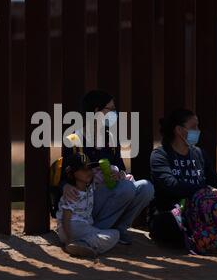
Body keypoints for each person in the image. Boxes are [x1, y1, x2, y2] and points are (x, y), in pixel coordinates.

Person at [149, 108, 217, 249]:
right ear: (179, 130)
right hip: (175, 212)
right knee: (164, 225)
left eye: (197, 126)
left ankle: (198, 238)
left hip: (203, 212)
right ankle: (212, 237)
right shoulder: (160, 155)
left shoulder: (199, 153)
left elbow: (214, 180)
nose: (197, 130)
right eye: (193, 127)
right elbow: (171, 185)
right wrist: (205, 190)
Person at [61, 90, 155, 245]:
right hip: (89, 198)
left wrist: (119, 174)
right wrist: (65, 186)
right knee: (127, 189)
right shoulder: (74, 139)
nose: (114, 113)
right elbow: (66, 173)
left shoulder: (110, 137)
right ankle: (99, 230)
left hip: (112, 192)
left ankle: (120, 229)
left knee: (146, 187)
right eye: (110, 109)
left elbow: (121, 168)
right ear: (97, 111)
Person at [56, 153, 119, 258]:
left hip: (81, 228)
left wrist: (117, 173)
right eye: (83, 169)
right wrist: (68, 239)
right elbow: (65, 218)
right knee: (114, 234)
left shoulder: (89, 187)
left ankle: (81, 245)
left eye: (89, 168)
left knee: (114, 234)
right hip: (71, 228)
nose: (89, 172)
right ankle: (78, 244)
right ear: (72, 174)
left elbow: (104, 176)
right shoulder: (73, 192)